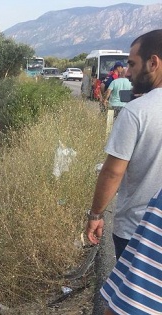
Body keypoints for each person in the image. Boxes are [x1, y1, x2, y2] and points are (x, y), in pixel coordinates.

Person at [82, 29, 162, 313]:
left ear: (153, 63)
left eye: (132, 63)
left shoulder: (138, 112)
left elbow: (113, 172)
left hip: (138, 231)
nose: (127, 72)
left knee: (131, 303)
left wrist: (95, 215)